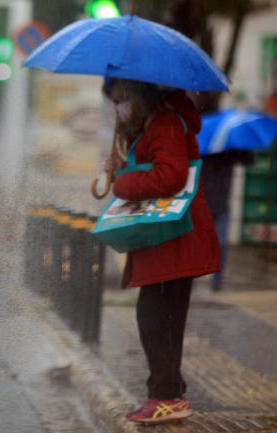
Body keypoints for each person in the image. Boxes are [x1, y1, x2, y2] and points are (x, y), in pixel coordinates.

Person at [102, 78, 221, 424]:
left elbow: (169, 177)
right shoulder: (153, 126)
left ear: (139, 96)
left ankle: (169, 396)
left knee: (159, 320)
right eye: (114, 101)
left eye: (121, 99)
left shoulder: (167, 124)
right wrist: (121, 167)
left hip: (175, 239)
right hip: (164, 238)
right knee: (155, 318)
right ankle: (166, 393)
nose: (118, 108)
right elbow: (152, 171)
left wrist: (122, 181)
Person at [200, 150, 254, 291]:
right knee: (195, 245)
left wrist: (238, 146)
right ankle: (190, 281)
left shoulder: (229, 152)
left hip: (221, 206)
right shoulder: (203, 151)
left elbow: (249, 159)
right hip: (200, 206)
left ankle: (216, 282)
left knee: (221, 244)